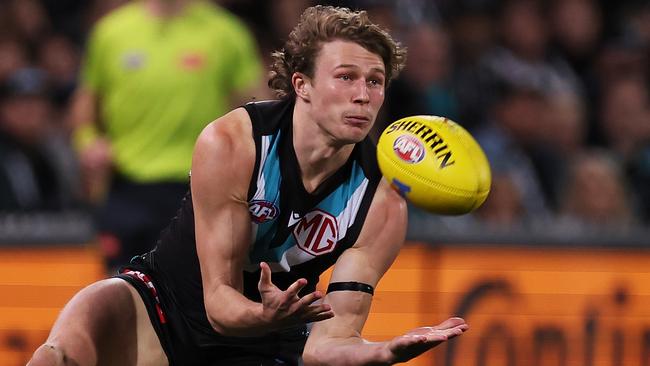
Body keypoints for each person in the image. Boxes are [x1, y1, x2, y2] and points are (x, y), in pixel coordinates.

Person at [28, 5, 468, 366]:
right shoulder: (232, 143)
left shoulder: (382, 202)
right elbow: (219, 303)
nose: (363, 95)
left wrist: (379, 351)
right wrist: (262, 312)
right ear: (303, 85)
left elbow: (331, 341)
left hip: (263, 344)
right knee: (57, 355)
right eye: (346, 76)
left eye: (375, 82)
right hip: (158, 309)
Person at [69, 0, 264, 269]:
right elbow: (86, 104)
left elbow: (254, 108)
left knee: (191, 291)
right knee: (118, 290)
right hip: (125, 187)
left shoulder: (226, 32)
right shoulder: (110, 33)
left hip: (198, 188)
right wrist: (88, 143)